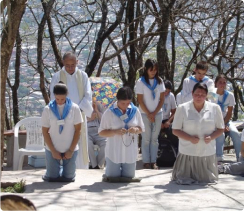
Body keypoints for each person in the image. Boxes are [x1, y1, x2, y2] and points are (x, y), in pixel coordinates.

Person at [172, 82, 225, 185]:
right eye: (197, 94)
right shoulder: (182, 108)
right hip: (187, 151)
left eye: (202, 95)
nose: (199, 97)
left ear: (206, 95)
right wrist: (189, 138)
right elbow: (175, 130)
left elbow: (221, 128)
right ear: (192, 93)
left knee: (208, 180)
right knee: (184, 180)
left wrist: (212, 137)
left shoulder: (215, 108)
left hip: (207, 151)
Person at [49, 51, 93, 169]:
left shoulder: (83, 76)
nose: (70, 68)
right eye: (67, 65)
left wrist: (76, 110)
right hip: (62, 115)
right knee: (64, 141)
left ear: (77, 62)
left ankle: (81, 169)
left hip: (79, 114)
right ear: (63, 63)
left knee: (80, 142)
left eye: (72, 65)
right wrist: (65, 110)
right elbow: (53, 96)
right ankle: (63, 169)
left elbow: (88, 95)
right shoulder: (57, 76)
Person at [98, 87, 145, 179]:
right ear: (117, 100)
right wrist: (115, 132)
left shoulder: (135, 111)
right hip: (114, 152)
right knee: (112, 178)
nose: (125, 106)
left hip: (129, 152)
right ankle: (108, 171)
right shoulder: (109, 112)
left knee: (129, 177)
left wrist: (135, 129)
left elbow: (141, 128)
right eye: (123, 103)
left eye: (128, 103)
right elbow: (101, 132)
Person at [42, 82, 82, 182]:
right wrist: (53, 151)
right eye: (57, 99)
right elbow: (45, 131)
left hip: (70, 148)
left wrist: (71, 150)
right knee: (52, 178)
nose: (60, 102)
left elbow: (78, 130)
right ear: (54, 96)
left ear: (66, 95)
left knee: (68, 178)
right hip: (53, 148)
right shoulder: (48, 109)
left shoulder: (74, 108)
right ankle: (53, 171)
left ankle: (66, 170)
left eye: (62, 99)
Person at [135, 59, 165, 169]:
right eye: (151, 70)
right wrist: (149, 113)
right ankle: (146, 161)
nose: (153, 72)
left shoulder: (160, 81)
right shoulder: (141, 82)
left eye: (155, 70)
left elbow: (162, 99)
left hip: (157, 113)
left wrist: (154, 113)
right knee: (146, 138)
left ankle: (154, 161)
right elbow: (140, 100)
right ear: (146, 69)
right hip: (144, 113)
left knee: (154, 138)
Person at [214, 74, 242, 162]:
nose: (222, 85)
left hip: (226, 121)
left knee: (235, 133)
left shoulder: (229, 95)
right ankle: (219, 157)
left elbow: (229, 113)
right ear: (216, 84)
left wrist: (224, 124)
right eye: (220, 82)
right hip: (214, 122)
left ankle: (240, 157)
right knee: (220, 134)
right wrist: (220, 126)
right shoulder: (212, 94)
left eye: (224, 83)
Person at [87, 98, 106, 169]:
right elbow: (80, 122)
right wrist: (89, 118)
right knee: (88, 144)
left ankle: (100, 164)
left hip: (98, 131)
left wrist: (97, 111)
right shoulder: (83, 108)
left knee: (105, 143)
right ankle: (93, 164)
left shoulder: (99, 107)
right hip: (88, 131)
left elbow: (104, 121)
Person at [161, 80, 178, 148]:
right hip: (156, 119)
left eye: (168, 91)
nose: (166, 93)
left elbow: (174, 111)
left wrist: (168, 121)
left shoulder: (171, 96)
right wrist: (159, 122)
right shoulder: (156, 95)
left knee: (172, 131)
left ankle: (175, 150)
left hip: (166, 119)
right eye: (165, 91)